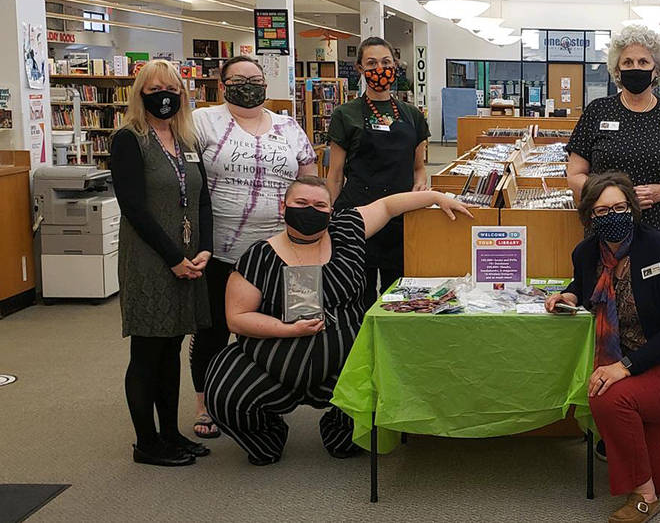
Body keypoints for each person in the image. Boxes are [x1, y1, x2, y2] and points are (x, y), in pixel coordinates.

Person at [204, 176, 473, 465]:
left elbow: (388, 206)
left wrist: (435, 197)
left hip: (346, 365)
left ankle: (338, 430)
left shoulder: (346, 230)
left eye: (320, 205)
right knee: (224, 394)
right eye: (301, 203)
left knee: (380, 391)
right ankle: (268, 436)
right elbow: (237, 318)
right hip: (270, 361)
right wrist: (287, 329)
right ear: (283, 208)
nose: (310, 210)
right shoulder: (259, 256)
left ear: (331, 212)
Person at [546, 172, 660, 523]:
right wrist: (570, 295)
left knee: (607, 395)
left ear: (633, 209)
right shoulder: (587, 253)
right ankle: (650, 430)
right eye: (603, 211)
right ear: (590, 216)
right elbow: (583, 282)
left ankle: (644, 496)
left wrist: (624, 367)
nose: (613, 216)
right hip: (632, 364)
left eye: (620, 207)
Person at [190, 56, 317, 439]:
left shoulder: (288, 125)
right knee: (213, 328)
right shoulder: (203, 122)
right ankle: (205, 404)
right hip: (221, 251)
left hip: (286, 248)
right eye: (239, 79)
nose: (249, 85)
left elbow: (309, 181)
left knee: (297, 321)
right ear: (222, 83)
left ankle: (276, 395)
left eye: (256, 79)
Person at [109, 60, 213, 466]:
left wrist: (202, 250)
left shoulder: (188, 140)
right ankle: (146, 443)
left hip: (188, 259)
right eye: (154, 89)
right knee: (147, 351)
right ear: (140, 94)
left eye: (171, 88)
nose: (164, 95)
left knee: (172, 349)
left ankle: (170, 434)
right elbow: (134, 207)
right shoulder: (129, 140)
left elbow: (202, 199)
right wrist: (173, 259)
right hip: (151, 260)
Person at [566, 24, 660, 242]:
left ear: (656, 69)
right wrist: (615, 197)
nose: (635, 67)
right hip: (606, 231)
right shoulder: (598, 111)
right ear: (617, 70)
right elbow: (574, 175)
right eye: (627, 62)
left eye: (643, 62)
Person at [327, 37, 430, 307]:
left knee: (398, 291)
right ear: (360, 69)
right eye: (371, 63)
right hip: (358, 215)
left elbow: (419, 167)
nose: (379, 69)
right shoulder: (344, 114)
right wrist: (329, 214)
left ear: (395, 66)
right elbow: (335, 173)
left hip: (400, 215)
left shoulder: (412, 115)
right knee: (357, 292)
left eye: (386, 62)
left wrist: (420, 183)